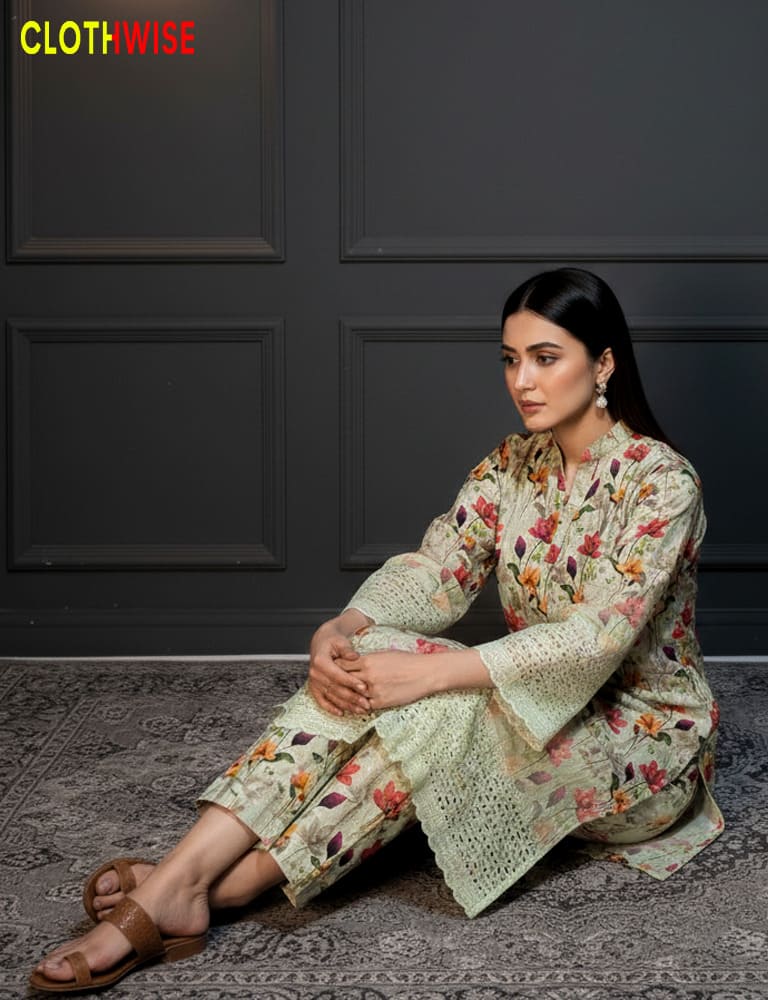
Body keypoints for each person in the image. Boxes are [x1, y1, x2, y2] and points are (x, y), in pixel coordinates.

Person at [31, 268, 723, 993]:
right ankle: (189, 881)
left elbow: (597, 638)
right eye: (510, 359)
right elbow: (439, 567)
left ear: (603, 362)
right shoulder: (514, 463)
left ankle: (221, 885)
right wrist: (345, 624)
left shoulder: (662, 484)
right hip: (530, 695)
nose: (523, 380)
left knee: (435, 702)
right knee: (377, 660)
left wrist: (430, 673)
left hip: (643, 742)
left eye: (546, 358)